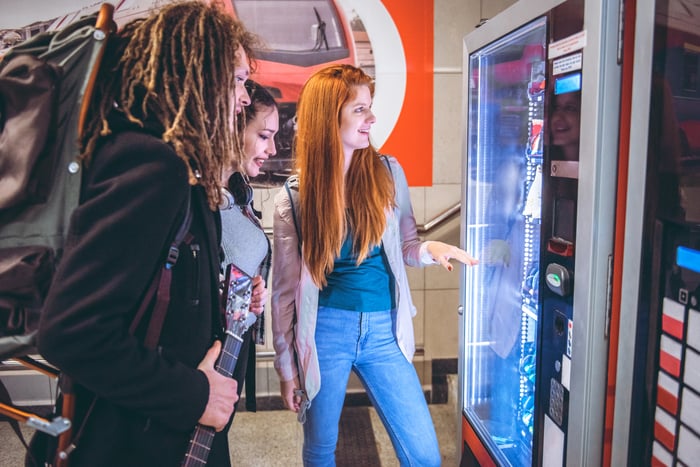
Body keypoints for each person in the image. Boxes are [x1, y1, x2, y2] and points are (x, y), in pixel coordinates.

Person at [35, 3, 257, 466]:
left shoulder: (176, 165)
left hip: (162, 434)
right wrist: (195, 394)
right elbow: (72, 333)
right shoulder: (153, 166)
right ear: (198, 76)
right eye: (237, 80)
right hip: (133, 443)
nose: (244, 97)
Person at [271, 64, 478, 466]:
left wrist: (431, 249)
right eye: (360, 110)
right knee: (320, 450)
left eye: (370, 108)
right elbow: (282, 297)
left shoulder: (388, 172)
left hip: (384, 332)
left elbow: (406, 246)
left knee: (424, 455)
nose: (372, 119)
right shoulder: (293, 199)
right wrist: (286, 369)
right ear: (329, 117)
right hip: (326, 332)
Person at [220, 80, 279, 417]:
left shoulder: (239, 192)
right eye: (263, 135)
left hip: (234, 344)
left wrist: (251, 299)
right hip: (205, 358)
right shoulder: (202, 201)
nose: (271, 150)